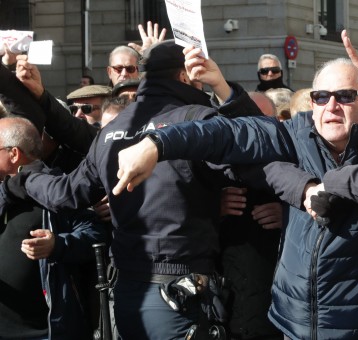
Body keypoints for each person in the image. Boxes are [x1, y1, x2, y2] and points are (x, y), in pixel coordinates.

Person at [111, 28, 358, 339]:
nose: (331, 106)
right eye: (321, 97)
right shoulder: (292, 133)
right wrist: (158, 144)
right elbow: (230, 133)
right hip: (293, 323)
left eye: (345, 96)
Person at [0, 40, 251, 339]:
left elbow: (66, 193)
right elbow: (258, 147)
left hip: (133, 292)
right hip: (176, 289)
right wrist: (223, 89)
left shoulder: (112, 131)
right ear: (185, 76)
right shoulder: (198, 119)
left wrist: (27, 176)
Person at [0, 116, 106, 340]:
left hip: (45, 331)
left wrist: (57, 244)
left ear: (14, 153)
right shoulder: (4, 191)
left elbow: (96, 236)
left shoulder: (58, 191)